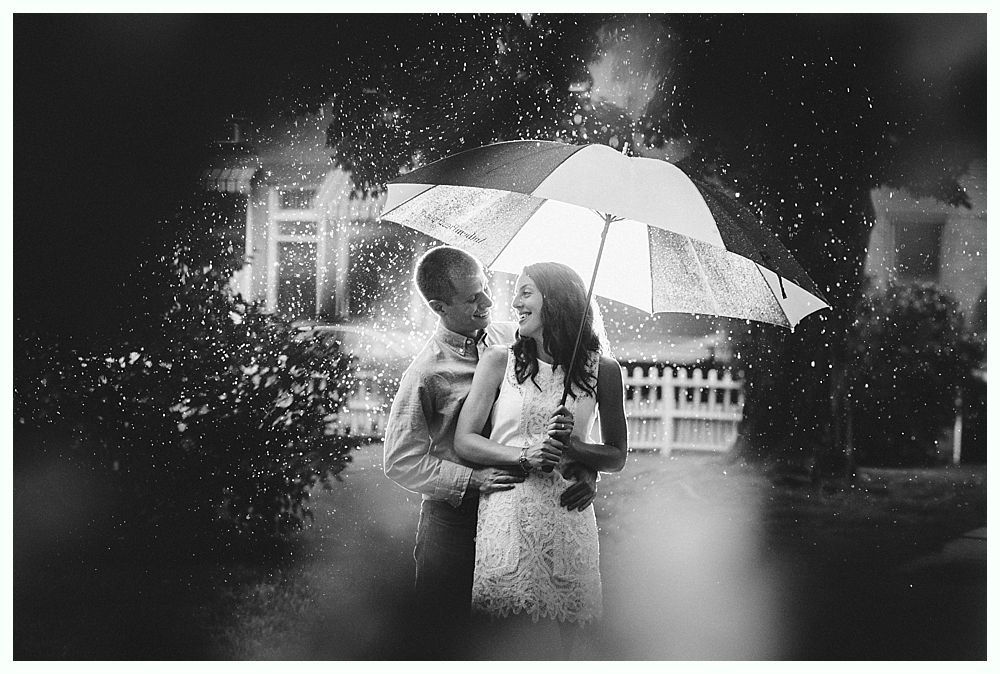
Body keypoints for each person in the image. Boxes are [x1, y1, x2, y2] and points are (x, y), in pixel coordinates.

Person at [382, 247, 599, 652]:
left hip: (514, 513)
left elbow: (566, 402)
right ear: (439, 306)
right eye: (473, 298)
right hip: (453, 521)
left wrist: (587, 469)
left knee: (501, 641)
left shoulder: (513, 340)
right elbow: (399, 460)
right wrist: (472, 479)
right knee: (442, 636)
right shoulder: (425, 373)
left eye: (485, 288)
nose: (488, 302)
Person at [454, 261, 628, 658]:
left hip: (568, 517)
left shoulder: (602, 369)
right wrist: (525, 455)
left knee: (572, 645)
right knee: (504, 641)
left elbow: (616, 455)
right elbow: (465, 440)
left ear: (558, 301)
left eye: (526, 291)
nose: (515, 301)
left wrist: (576, 451)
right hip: (508, 511)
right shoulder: (499, 361)